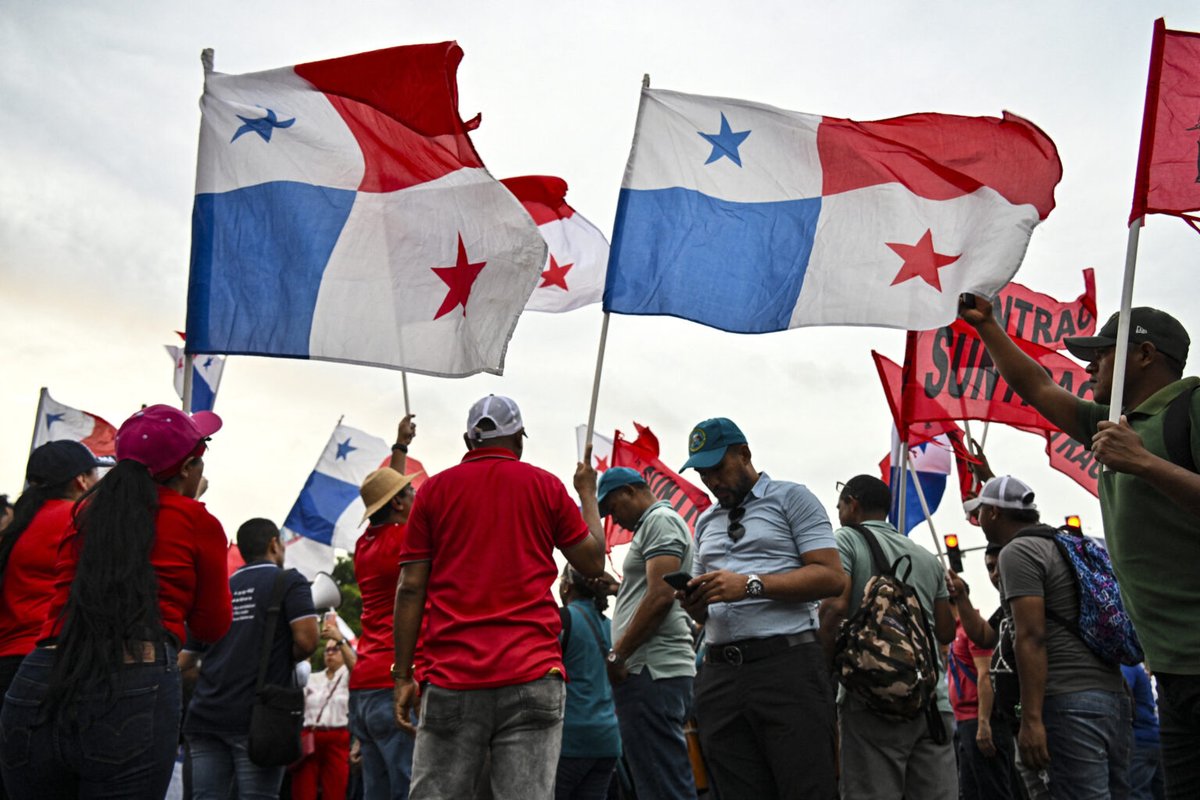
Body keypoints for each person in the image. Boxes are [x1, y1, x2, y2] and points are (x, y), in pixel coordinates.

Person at [961, 298, 1199, 797]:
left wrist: (1146, 464)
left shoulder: (1190, 408)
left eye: (1104, 353)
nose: (1090, 365)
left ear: (1145, 355)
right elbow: (1036, 386)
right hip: (1174, 671)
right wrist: (988, 327)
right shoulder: (1115, 425)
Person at [0, 404, 233, 798]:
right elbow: (213, 626)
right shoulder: (196, 521)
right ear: (187, 470)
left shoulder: (85, 513)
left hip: (37, 677)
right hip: (132, 683)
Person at [392, 395, 606, 800]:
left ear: (468, 441)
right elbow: (594, 562)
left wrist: (403, 675)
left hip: (452, 677)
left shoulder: (433, 493)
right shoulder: (545, 486)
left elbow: (411, 587)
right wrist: (588, 494)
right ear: (519, 440)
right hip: (532, 673)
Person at [677, 417, 845, 800]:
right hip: (720, 675)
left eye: (718, 468)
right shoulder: (705, 523)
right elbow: (705, 614)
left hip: (786, 667)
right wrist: (694, 602)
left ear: (745, 454)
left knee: (807, 788)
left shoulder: (791, 498)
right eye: (704, 473)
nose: (712, 481)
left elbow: (832, 578)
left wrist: (751, 585)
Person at [972, 474, 1132, 798]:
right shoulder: (1065, 543)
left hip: (1066, 702)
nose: (977, 518)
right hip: (1112, 698)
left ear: (993, 513)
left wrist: (1030, 720)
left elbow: (1031, 636)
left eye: (980, 510)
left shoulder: (1017, 552)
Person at [817, 474, 957, 800]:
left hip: (872, 698)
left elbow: (835, 607)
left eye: (840, 505)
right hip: (931, 701)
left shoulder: (847, 540)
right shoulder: (925, 556)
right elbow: (947, 630)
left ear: (853, 504)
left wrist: (823, 670)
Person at [183, 518, 318, 798]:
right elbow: (307, 642)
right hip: (257, 720)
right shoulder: (289, 581)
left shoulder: (219, 587)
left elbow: (184, 661)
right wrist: (276, 658)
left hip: (205, 715)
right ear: (274, 544)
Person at [595, 467, 697, 799]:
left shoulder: (659, 521)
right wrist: (620, 589)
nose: (614, 519)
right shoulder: (654, 524)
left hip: (650, 670)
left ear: (629, 491)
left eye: (612, 508)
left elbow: (661, 596)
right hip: (651, 671)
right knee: (658, 777)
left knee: (661, 783)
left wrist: (618, 653)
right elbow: (652, 589)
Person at [350, 415, 419, 800]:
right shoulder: (406, 540)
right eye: (409, 493)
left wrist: (400, 448)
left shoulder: (365, 545)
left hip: (363, 687)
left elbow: (389, 498)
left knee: (375, 792)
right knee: (409, 789)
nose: (414, 497)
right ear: (397, 503)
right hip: (395, 682)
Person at [946, 546, 1019, 800]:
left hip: (981, 720)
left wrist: (984, 723)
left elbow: (985, 675)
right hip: (964, 722)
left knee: (994, 791)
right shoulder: (954, 633)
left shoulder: (972, 631)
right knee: (971, 792)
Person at [555, 567, 621, 800]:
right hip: (608, 740)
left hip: (570, 741)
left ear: (566, 586)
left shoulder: (562, 620)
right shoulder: (613, 625)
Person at [292, 616, 357, 800]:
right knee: (302, 791)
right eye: (327, 649)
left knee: (335, 790)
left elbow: (356, 667)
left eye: (335, 649)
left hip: (337, 738)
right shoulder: (313, 677)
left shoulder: (348, 675)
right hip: (309, 737)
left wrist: (340, 639)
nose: (330, 652)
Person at [1123, 663, 1165, 800]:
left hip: (1140, 740)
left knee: (1136, 792)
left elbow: (1124, 695)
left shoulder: (1127, 666)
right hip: (1153, 737)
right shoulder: (1136, 667)